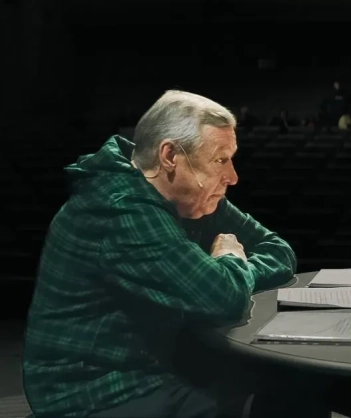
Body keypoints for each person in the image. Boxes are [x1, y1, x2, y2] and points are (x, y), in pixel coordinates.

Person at [22, 90, 305, 418]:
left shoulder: (193, 197)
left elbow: (278, 252)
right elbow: (224, 297)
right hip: (97, 391)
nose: (232, 177)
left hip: (160, 366)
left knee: (289, 385)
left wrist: (234, 269)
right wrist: (229, 259)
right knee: (285, 398)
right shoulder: (122, 207)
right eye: (219, 160)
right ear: (170, 156)